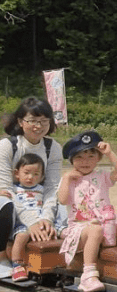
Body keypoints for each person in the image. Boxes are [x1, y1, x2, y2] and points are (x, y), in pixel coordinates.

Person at [58, 130, 117, 292]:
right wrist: (67, 179)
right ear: (72, 160)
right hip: (80, 229)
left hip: (105, 225)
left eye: (90, 156)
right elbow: (62, 200)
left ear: (98, 158)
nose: (85, 161)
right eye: (79, 157)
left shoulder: (101, 175)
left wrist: (110, 153)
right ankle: (88, 275)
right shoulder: (69, 178)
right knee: (95, 231)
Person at [0, 97, 64, 269]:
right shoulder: (7, 146)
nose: (39, 126)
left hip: (39, 202)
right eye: (33, 121)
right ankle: (2, 256)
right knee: (3, 201)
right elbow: (6, 188)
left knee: (67, 201)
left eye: (44, 121)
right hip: (14, 202)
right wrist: (32, 222)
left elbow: (52, 188)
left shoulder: (53, 148)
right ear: (21, 122)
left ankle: (69, 254)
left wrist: (46, 219)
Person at [9, 154, 46, 281]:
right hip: (22, 223)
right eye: (26, 173)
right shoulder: (13, 189)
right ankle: (17, 264)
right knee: (22, 236)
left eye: (36, 174)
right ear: (17, 173)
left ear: (42, 177)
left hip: (40, 221)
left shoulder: (43, 190)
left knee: (50, 233)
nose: (31, 177)